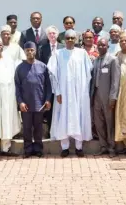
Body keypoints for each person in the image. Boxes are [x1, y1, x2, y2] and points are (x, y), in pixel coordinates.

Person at [47, 29, 93, 157]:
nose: (70, 40)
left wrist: (84, 90)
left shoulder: (82, 53)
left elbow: (88, 72)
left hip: (79, 93)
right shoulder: (58, 54)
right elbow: (53, 74)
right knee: (64, 117)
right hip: (63, 93)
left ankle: (79, 147)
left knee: (79, 116)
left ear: (76, 39)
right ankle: (65, 147)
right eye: (68, 38)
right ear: (64, 40)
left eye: (73, 38)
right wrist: (57, 92)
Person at [15, 41, 52, 158]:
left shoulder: (43, 67)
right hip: (26, 104)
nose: (30, 52)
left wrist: (47, 100)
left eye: (32, 50)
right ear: (24, 52)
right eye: (27, 50)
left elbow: (48, 86)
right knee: (26, 128)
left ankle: (38, 149)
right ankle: (28, 150)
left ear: (35, 51)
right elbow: (17, 87)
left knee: (38, 128)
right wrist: (20, 102)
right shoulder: (20, 68)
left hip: (39, 103)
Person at [91, 38, 120, 158]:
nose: (101, 47)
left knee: (109, 122)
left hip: (107, 96)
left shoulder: (113, 60)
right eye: (99, 45)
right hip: (96, 94)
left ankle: (111, 147)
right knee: (98, 122)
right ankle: (103, 146)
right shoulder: (96, 60)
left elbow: (115, 80)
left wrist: (113, 97)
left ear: (107, 46)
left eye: (104, 45)